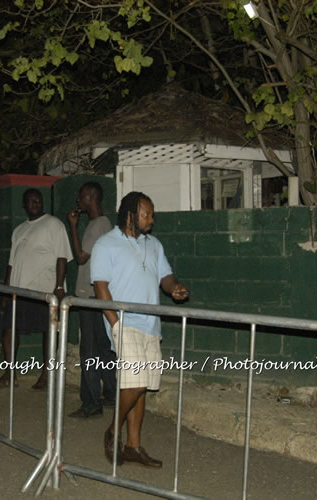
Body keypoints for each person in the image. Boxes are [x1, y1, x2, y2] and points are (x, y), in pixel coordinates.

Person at [90, 191, 189, 468]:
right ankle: (113, 430)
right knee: (136, 382)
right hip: (124, 322)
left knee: (142, 387)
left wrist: (175, 288)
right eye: (147, 214)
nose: (151, 219)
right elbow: (100, 286)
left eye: (152, 214)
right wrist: (115, 324)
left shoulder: (154, 245)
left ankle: (133, 446)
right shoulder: (106, 244)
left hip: (151, 323)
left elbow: (165, 277)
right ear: (130, 215)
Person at [0, 188, 73, 390]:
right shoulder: (19, 230)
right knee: (9, 328)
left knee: (48, 331)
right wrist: (6, 289)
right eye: (30, 201)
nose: (35, 203)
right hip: (19, 289)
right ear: (24, 205)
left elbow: (62, 257)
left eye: (38, 200)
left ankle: (47, 374)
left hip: (44, 289)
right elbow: (11, 263)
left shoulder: (54, 224)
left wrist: (58, 286)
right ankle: (10, 372)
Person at [66, 182, 115, 418]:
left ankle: (91, 403)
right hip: (99, 296)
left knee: (90, 350)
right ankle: (111, 394)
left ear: (90, 197)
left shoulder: (97, 226)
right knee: (104, 348)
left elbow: (81, 258)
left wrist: (73, 228)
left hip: (90, 295)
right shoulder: (104, 224)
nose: (78, 200)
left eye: (81, 196)